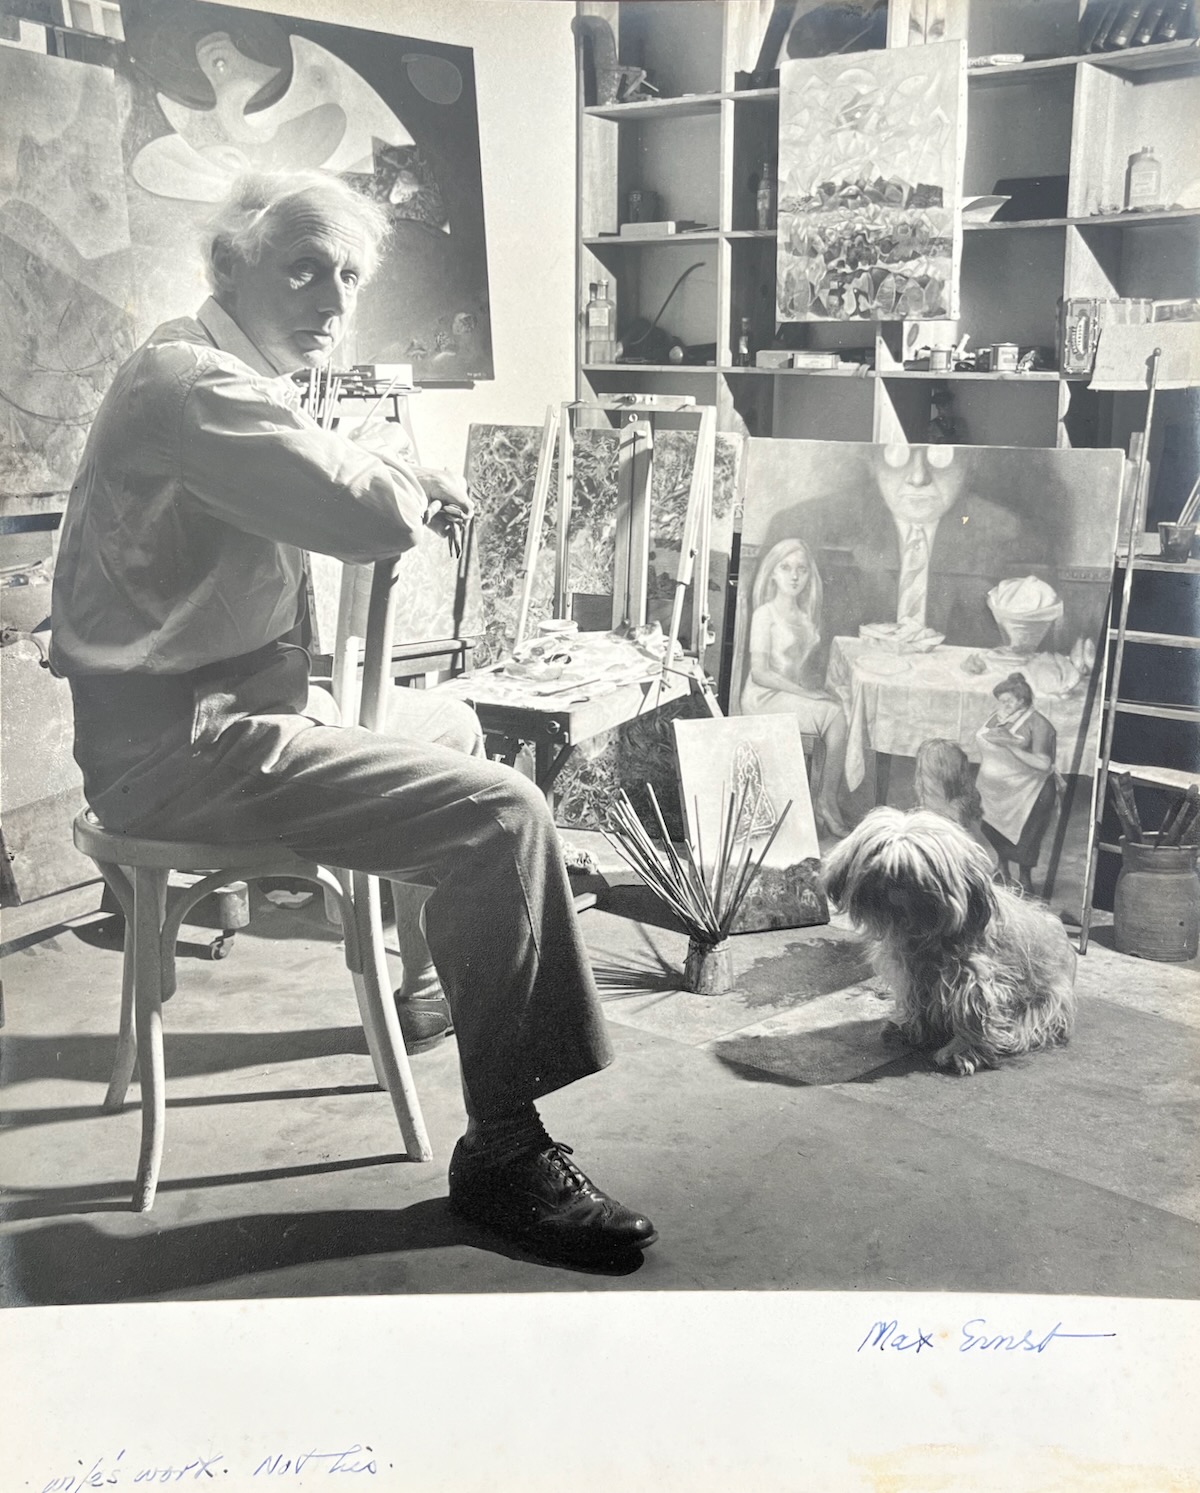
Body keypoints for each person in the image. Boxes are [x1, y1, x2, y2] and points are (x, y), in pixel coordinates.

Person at [50, 168, 656, 1264]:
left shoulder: (222, 373)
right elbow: (364, 512)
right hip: (184, 744)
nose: (331, 299)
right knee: (507, 814)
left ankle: (431, 994)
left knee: (459, 728)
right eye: (301, 267)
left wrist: (392, 469)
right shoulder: (199, 389)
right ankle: (506, 1151)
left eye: (346, 276)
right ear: (229, 266)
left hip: (216, 715)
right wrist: (407, 479)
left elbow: (331, 481)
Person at [761, 443, 1057, 652]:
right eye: (897, 456)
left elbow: (1033, 650)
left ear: (971, 460)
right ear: (872, 460)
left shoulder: (1012, 536)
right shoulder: (800, 528)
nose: (918, 478)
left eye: (941, 456)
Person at [739, 538, 850, 837]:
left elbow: (799, 670)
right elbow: (761, 674)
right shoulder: (765, 615)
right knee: (835, 716)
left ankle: (820, 799)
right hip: (762, 697)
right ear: (772, 573)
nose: (794, 576)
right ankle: (826, 801)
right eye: (785, 568)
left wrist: (812, 691)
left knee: (839, 708)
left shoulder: (805, 616)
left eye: (801, 569)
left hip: (787, 692)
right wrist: (806, 694)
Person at [975, 673, 1059, 895]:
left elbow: (1043, 763)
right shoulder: (1001, 715)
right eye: (1001, 701)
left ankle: (1024, 878)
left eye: (1007, 701)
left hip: (1029, 792)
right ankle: (1002, 868)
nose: (1002, 705)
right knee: (992, 828)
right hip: (995, 793)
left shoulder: (1040, 725)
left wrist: (1011, 746)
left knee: (1026, 837)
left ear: (1022, 700)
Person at [913, 738, 997, 868]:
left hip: (965, 861)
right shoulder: (926, 797)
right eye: (921, 771)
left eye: (928, 773)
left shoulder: (956, 806)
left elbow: (962, 849)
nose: (922, 778)